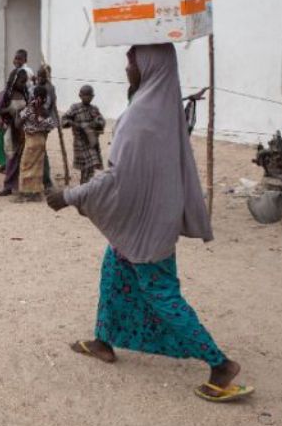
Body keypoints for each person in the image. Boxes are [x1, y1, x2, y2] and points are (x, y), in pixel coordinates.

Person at [46, 44, 253, 403]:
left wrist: (69, 197)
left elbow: (119, 178)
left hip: (147, 223)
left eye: (132, 61)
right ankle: (103, 340)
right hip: (153, 216)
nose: (127, 67)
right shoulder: (164, 107)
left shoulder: (141, 116)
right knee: (114, 273)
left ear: (149, 65)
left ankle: (219, 365)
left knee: (161, 293)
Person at [17, 85, 56, 202]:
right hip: (41, 140)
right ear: (45, 98)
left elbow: (18, 123)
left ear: (33, 95)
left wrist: (29, 114)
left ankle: (25, 192)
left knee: (26, 165)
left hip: (30, 140)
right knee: (38, 167)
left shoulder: (29, 109)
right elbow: (50, 126)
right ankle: (36, 192)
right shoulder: (44, 111)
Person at [62, 84, 106, 183]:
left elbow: (102, 121)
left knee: (91, 166)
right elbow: (64, 120)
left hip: (92, 143)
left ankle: (85, 188)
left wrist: (96, 124)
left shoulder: (94, 109)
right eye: (85, 95)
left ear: (92, 97)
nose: (88, 97)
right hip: (80, 143)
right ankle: (84, 188)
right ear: (80, 96)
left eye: (90, 95)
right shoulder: (75, 108)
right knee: (86, 167)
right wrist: (74, 124)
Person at [0, 68, 29, 196]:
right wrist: (9, 111)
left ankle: (22, 185)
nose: (23, 84)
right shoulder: (6, 95)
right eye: (21, 81)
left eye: (25, 82)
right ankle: (8, 185)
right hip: (11, 129)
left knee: (23, 157)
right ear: (14, 81)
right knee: (11, 157)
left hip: (24, 129)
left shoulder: (25, 94)